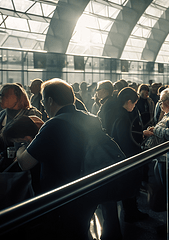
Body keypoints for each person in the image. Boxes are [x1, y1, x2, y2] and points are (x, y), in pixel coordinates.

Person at [15, 78, 102, 239]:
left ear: (49, 100)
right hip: (89, 188)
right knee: (80, 231)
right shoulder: (91, 119)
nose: (42, 105)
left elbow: (25, 163)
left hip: (61, 195)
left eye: (43, 100)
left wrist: (20, 148)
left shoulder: (54, 124)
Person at [110, 87, 148, 225]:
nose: (135, 105)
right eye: (134, 102)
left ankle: (132, 212)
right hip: (128, 157)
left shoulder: (119, 114)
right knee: (129, 186)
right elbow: (126, 139)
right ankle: (131, 213)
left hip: (124, 156)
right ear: (128, 101)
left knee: (129, 186)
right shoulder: (123, 117)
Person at [0, 83, 41, 171]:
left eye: (4, 95)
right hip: (0, 163)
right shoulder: (2, 113)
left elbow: (32, 143)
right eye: (0, 94)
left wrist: (4, 154)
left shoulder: (31, 114)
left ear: (17, 97)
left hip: (19, 166)